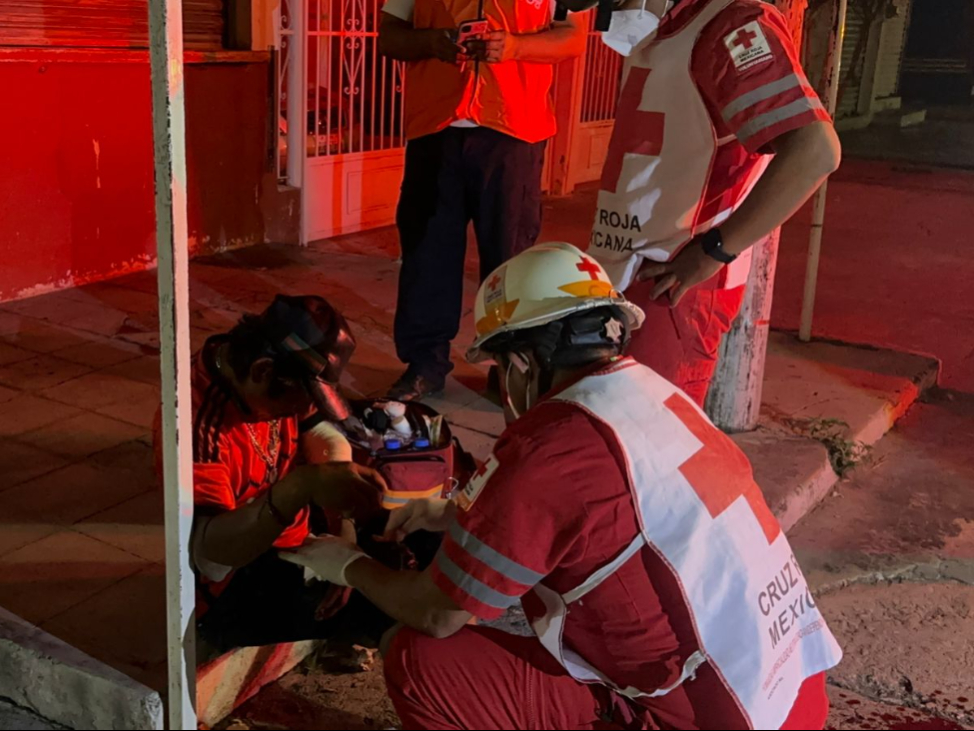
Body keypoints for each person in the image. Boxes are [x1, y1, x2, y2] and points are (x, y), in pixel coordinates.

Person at [282, 243, 842, 730]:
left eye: (501, 369)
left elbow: (437, 612)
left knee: (420, 661)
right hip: (786, 698)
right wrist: (448, 511)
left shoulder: (549, 447)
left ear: (522, 362)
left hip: (704, 714)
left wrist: (347, 563)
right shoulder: (654, 397)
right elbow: (600, 508)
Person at [578, 0, 842, 404]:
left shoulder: (731, 24)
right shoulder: (670, 28)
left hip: (673, 285)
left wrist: (714, 251)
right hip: (627, 275)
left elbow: (815, 151)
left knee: (655, 442)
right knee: (619, 434)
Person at [152, 294, 394, 652]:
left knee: (407, 543)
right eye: (299, 398)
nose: (302, 409)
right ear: (263, 371)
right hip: (235, 576)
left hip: (290, 533)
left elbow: (322, 434)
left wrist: (343, 526)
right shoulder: (193, 424)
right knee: (381, 605)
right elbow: (211, 553)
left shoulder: (266, 377)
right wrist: (300, 487)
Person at [377, 0, 586, 401]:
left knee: (511, 258)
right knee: (426, 254)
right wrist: (432, 43)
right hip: (434, 128)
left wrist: (513, 47)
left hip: (514, 130)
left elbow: (573, 36)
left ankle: (511, 368)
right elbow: (389, 36)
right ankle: (425, 363)